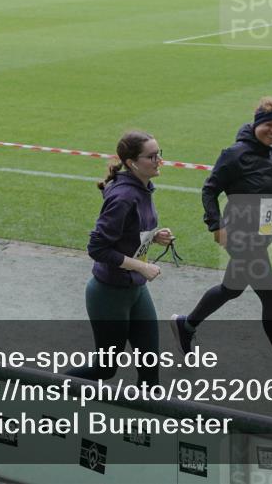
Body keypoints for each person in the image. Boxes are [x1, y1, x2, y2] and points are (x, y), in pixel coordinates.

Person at [171, 97, 272, 379]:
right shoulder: (235, 154)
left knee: (232, 288)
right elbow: (209, 190)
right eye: (269, 125)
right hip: (239, 235)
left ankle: (185, 325)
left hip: (262, 236)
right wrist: (215, 225)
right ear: (256, 124)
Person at [71, 131, 172, 385]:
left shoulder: (143, 187)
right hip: (109, 295)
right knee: (104, 370)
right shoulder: (123, 197)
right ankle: (41, 388)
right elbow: (97, 248)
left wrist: (154, 236)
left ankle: (146, 424)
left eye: (159, 154)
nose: (159, 160)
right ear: (131, 163)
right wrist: (142, 266)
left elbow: (129, 233)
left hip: (135, 290)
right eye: (151, 156)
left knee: (150, 372)